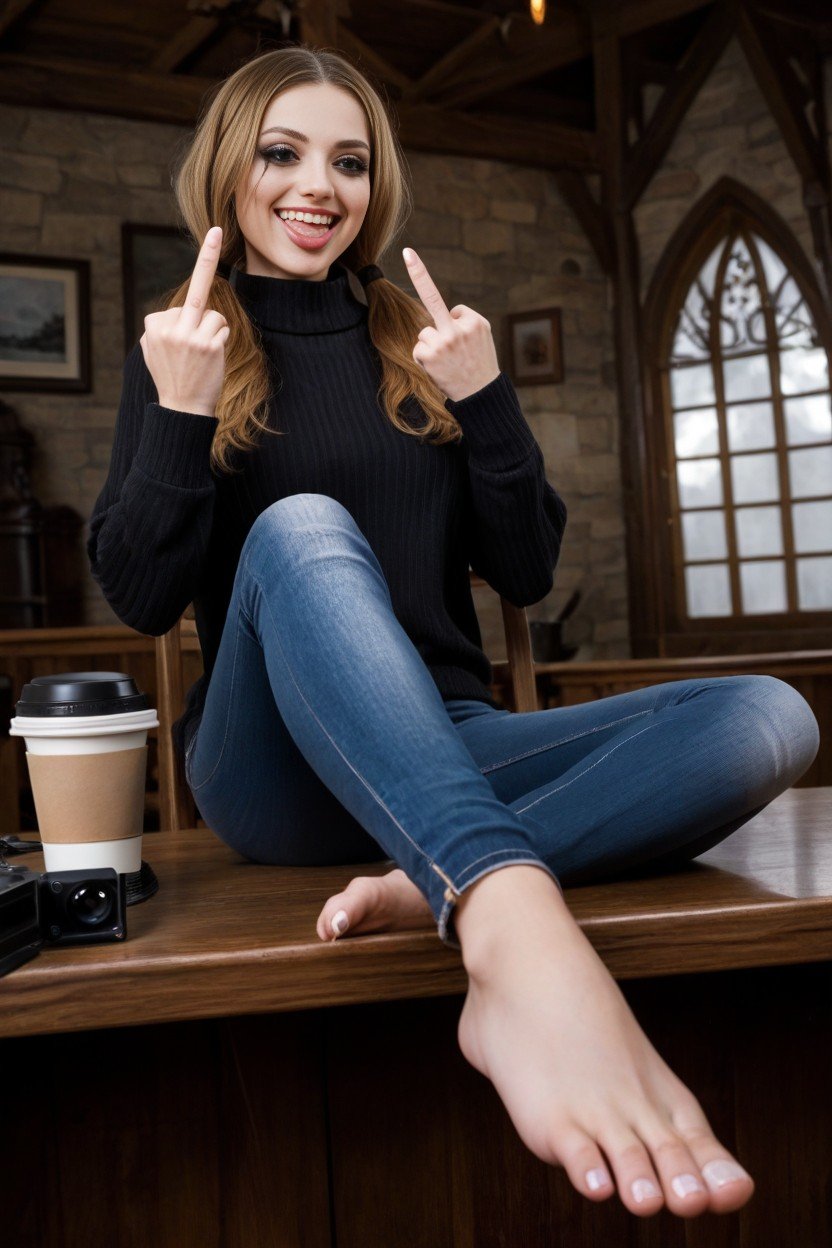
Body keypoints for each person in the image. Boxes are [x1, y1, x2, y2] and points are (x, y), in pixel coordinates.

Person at [87, 43, 820, 1221]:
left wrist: (484, 402)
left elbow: (523, 569)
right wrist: (177, 409)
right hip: (271, 769)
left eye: (350, 161)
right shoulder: (185, 344)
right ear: (229, 169)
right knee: (302, 527)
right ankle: (516, 931)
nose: (316, 185)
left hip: (441, 746)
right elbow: (136, 596)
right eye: (281, 152)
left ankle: (423, 876)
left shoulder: (418, 339)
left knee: (767, 717)